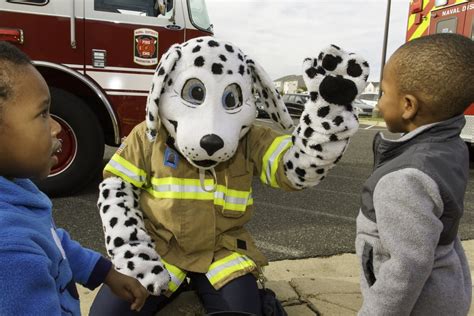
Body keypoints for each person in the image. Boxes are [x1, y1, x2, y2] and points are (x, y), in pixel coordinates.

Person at [89, 37, 369, 315]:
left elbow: (294, 169)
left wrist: (326, 116)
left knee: (242, 311)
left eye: (232, 99)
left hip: (223, 253)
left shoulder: (249, 138)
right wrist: (132, 249)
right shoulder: (147, 137)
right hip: (161, 250)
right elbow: (116, 188)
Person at [0, 41, 149, 315]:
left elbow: (54, 241)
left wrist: (106, 273)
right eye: (43, 114)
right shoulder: (12, 254)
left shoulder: (16, 191)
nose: (57, 127)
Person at [356, 33, 474, 315]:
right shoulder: (450, 147)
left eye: (383, 93)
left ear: (408, 105)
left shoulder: (405, 179)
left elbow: (406, 269)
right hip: (446, 289)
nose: (378, 104)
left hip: (417, 306)